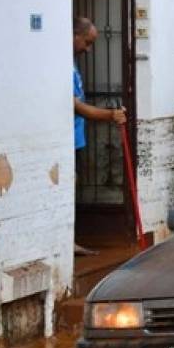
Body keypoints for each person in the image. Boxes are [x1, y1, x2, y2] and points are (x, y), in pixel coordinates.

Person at [74, 16, 127, 255]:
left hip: (77, 138)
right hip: (68, 140)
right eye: (87, 42)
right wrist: (110, 115)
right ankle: (68, 242)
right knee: (69, 188)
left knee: (73, 186)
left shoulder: (72, 63)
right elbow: (76, 106)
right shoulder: (61, 66)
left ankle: (71, 240)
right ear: (74, 36)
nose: (88, 49)